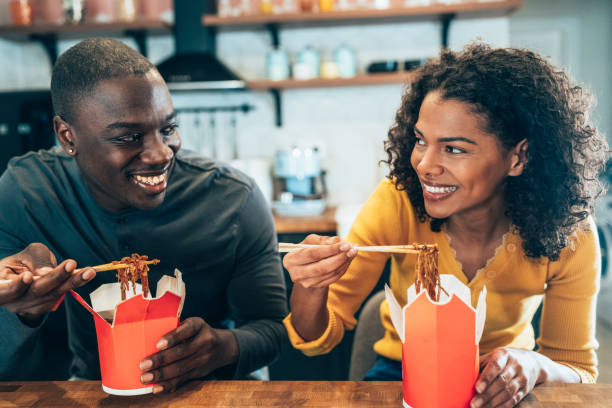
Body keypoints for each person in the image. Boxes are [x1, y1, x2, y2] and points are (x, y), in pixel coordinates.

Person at [282, 43, 608, 407]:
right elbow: (317, 339)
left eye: (453, 149)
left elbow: (576, 369)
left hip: (504, 382)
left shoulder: (569, 231)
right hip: (401, 372)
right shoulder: (398, 201)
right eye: (421, 141)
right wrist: (309, 288)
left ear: (519, 157)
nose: (424, 165)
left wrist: (533, 365)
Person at [0, 38, 288, 392]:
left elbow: (272, 327)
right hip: (88, 391)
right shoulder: (27, 194)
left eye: (168, 129)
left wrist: (221, 347)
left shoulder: (232, 199)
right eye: (130, 137)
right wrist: (26, 310)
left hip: (212, 387)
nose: (160, 153)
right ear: (66, 135)